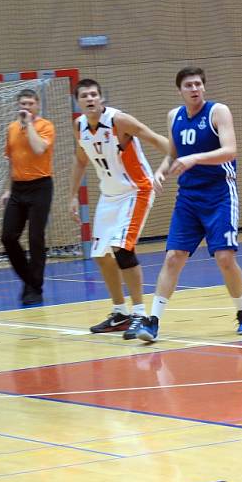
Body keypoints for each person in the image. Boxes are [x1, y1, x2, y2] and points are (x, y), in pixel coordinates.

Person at [136, 66, 242, 342]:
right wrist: (160, 171)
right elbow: (174, 154)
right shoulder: (173, 116)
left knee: (225, 258)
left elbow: (230, 150)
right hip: (188, 197)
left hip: (220, 194)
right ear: (180, 90)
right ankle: (152, 321)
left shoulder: (217, 112)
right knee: (173, 257)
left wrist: (195, 159)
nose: (195, 89)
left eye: (199, 84)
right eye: (189, 85)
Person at [69, 79, 170, 339]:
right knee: (100, 254)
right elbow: (81, 162)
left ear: (101, 99)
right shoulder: (79, 126)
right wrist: (71, 196)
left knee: (122, 249)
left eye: (94, 94)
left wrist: (179, 159)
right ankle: (120, 313)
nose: (90, 99)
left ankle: (139, 314)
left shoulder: (119, 121)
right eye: (84, 96)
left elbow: (153, 137)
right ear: (78, 102)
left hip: (137, 191)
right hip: (109, 195)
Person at [0, 88, 56, 305]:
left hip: (41, 187)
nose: (26, 108)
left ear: (37, 105)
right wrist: (7, 189)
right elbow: (11, 160)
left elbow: (38, 148)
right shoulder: (11, 128)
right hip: (18, 188)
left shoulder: (46, 126)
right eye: (22, 104)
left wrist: (29, 124)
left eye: (30, 104)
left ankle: (34, 288)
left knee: (35, 237)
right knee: (8, 237)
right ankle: (30, 280)